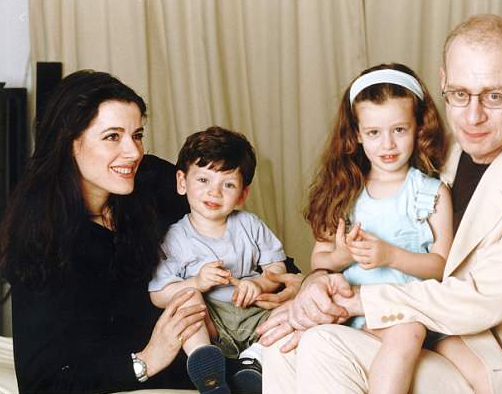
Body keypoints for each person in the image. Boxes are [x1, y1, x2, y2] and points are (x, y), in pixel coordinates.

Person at [258, 14, 502, 394]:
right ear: (443, 83)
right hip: (415, 335)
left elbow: (478, 299)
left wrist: (351, 301)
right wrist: (315, 288)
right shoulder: (428, 149)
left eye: (495, 96)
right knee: (283, 345)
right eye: (460, 94)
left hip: (487, 358)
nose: (473, 116)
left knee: (323, 344)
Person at [0, 70, 300, 394]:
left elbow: (240, 234)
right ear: (69, 142)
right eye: (113, 136)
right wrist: (145, 360)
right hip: (155, 374)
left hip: (232, 346)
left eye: (137, 135)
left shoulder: (151, 178)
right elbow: (40, 382)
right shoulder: (39, 238)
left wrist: (293, 282)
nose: (133, 152)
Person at [303, 62, 488, 394]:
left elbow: (440, 265)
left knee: (483, 369)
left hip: (423, 308)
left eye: (399, 130)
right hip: (360, 312)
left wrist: (390, 255)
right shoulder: (344, 191)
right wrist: (342, 256)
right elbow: (320, 259)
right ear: (357, 134)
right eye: (374, 133)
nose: (387, 144)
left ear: (418, 128)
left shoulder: (431, 193)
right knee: (407, 331)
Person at [149, 126, 288, 394]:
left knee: (293, 310)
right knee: (186, 300)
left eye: (228, 184)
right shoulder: (174, 238)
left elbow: (277, 269)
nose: (215, 192)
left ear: (242, 194)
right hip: (211, 322)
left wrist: (259, 284)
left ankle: (253, 362)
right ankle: (207, 364)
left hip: (254, 314)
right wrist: (197, 282)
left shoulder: (250, 225)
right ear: (182, 182)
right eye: (203, 180)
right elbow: (158, 294)